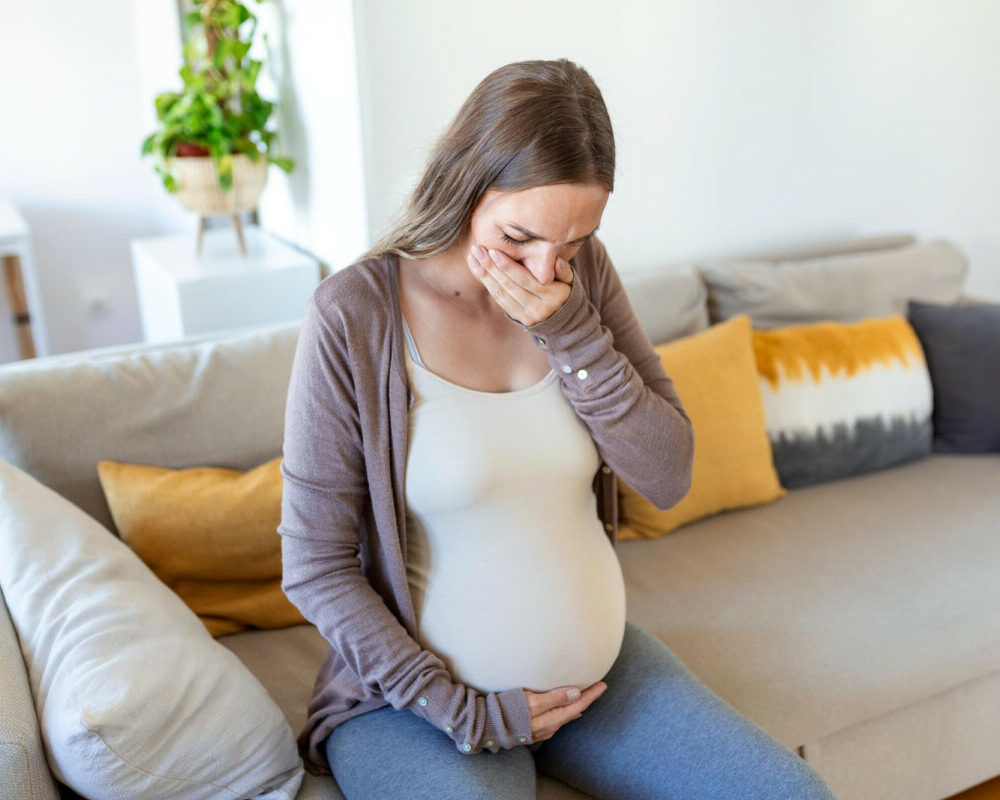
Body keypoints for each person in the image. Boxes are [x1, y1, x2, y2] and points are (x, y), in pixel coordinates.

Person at [278, 58, 837, 800]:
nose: (546, 270)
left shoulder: (583, 283)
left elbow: (668, 475)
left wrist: (571, 334)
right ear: (464, 186)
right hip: (416, 706)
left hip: (594, 682)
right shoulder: (354, 315)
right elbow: (315, 566)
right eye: (519, 239)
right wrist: (464, 712)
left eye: (571, 246)